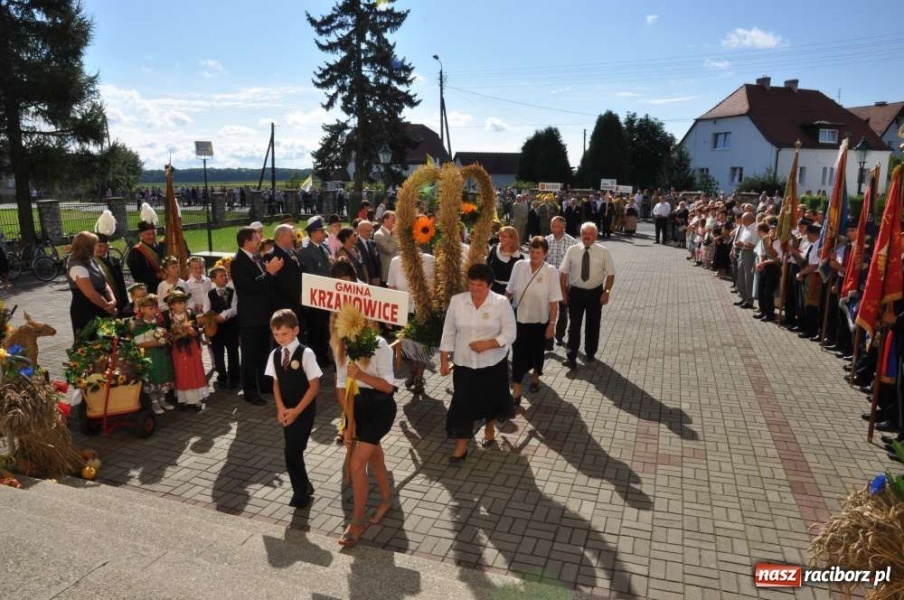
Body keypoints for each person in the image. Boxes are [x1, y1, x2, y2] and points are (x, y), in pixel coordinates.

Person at [439, 264, 516, 463]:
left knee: (491, 399)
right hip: (464, 363)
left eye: (480, 285)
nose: (474, 289)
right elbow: (448, 332)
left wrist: (488, 344)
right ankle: (461, 446)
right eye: (471, 284)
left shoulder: (500, 303)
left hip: (493, 363)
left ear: (489, 285)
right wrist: (444, 360)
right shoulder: (457, 301)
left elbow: (510, 334)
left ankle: (490, 427)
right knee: (461, 404)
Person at [334, 309, 397, 546]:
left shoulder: (380, 345)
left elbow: (388, 387)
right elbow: (341, 387)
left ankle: (356, 522)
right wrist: (348, 422)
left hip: (380, 409)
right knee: (375, 457)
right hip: (357, 407)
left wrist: (360, 374)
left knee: (357, 463)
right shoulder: (341, 347)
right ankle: (386, 500)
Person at [265, 309, 322, 509]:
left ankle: (300, 492)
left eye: (284, 334)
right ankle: (305, 485)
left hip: (303, 410)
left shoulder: (306, 353)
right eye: (276, 334)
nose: (280, 338)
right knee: (292, 450)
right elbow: (276, 383)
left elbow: (314, 386)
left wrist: (297, 411)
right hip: (286, 411)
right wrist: (280, 408)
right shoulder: (275, 354)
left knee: (292, 451)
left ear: (295, 330)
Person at [232, 226, 285, 406]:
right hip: (250, 318)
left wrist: (272, 273)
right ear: (246, 241)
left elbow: (265, 284)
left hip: (263, 315)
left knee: (264, 353)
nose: (259, 241)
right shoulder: (238, 262)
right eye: (256, 239)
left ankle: (264, 384)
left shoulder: (257, 258)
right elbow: (249, 287)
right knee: (250, 357)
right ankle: (250, 392)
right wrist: (269, 273)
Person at [506, 237, 561, 405]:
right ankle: (516, 390)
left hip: (540, 320)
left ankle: (536, 375)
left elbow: (554, 301)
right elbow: (509, 291)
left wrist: (552, 324)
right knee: (518, 353)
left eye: (538, 252)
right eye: (532, 251)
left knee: (537, 352)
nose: (534, 255)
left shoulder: (551, 271)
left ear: (545, 254)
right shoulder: (519, 266)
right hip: (520, 319)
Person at [559, 222, 616, 370]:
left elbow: (611, 274)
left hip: (595, 293)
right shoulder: (572, 250)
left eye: (590, 234)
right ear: (580, 235)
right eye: (584, 233)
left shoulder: (603, 252)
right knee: (574, 325)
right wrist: (563, 293)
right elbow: (563, 272)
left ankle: (590, 353)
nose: (587, 236)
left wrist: (606, 292)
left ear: (596, 236)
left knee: (593, 324)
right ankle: (571, 356)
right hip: (575, 293)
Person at [387, 249, 435, 394]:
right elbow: (391, 288)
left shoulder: (429, 260)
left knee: (422, 345)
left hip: (423, 310)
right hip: (402, 311)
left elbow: (435, 285)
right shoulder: (395, 261)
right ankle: (413, 371)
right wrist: (389, 314)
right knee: (404, 348)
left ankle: (419, 377)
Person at [163, 289, 209, 412]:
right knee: (181, 371)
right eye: (179, 303)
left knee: (194, 370)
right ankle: (184, 399)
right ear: (171, 305)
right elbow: (167, 334)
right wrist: (177, 334)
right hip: (177, 349)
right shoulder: (167, 316)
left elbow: (196, 329)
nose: (182, 305)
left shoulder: (190, 313)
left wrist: (193, 332)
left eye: (184, 302)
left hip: (191, 347)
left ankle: (195, 400)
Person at [298, 216, 334, 368]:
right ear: (312, 233)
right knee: (315, 329)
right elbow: (310, 274)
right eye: (321, 231)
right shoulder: (305, 252)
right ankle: (317, 358)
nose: (324, 233)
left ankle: (324, 355)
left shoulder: (324, 248)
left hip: (327, 296)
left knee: (324, 329)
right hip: (316, 298)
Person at [130, 294, 175, 415]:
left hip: (162, 355)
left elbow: (166, 334)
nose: (154, 311)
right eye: (150, 308)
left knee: (163, 376)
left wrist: (166, 337)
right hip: (149, 355)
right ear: (142, 309)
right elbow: (138, 343)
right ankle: (154, 401)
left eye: (155, 308)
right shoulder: (139, 324)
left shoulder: (159, 321)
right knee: (152, 378)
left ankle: (162, 399)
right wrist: (155, 343)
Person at [67, 232, 117, 337]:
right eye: (95, 244)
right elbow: (91, 294)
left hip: (101, 307)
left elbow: (104, 283)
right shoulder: (77, 266)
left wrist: (113, 300)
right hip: (87, 311)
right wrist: (109, 308)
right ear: (87, 247)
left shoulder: (91, 259)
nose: (97, 247)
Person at [207, 266, 240, 390]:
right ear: (213, 279)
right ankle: (222, 377)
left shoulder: (232, 291)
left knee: (233, 352)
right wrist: (214, 317)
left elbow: (235, 308)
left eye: (225, 275)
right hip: (217, 329)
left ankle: (234, 377)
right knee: (218, 354)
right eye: (221, 276)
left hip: (231, 327)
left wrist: (224, 315)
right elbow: (206, 310)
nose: (225, 278)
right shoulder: (209, 294)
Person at [546, 216, 576, 347]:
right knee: (547, 310)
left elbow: (574, 264)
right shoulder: (546, 240)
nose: (554, 229)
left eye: (557, 226)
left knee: (563, 311)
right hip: (548, 282)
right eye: (552, 226)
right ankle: (548, 338)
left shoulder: (572, 243)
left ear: (564, 227)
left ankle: (559, 335)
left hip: (565, 282)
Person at [271, 224, 304, 323]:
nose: (293, 238)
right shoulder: (273, 256)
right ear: (281, 237)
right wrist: (298, 296)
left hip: (299, 305)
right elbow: (281, 283)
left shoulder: (293, 253)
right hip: (285, 308)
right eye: (291, 236)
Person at [126, 220, 165, 291]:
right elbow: (138, 274)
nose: (151, 236)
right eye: (148, 234)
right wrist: (157, 275)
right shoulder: (136, 251)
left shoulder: (158, 247)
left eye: (153, 233)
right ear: (140, 235)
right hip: (148, 289)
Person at [486, 225, 523, 295]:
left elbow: (519, 279)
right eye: (500, 236)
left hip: (509, 292)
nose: (500, 238)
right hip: (491, 288)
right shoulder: (494, 250)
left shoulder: (519, 257)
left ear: (512, 239)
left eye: (504, 236)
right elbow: (487, 267)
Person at [355, 220, 382, 287]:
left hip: (377, 281)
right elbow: (360, 265)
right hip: (364, 282)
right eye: (368, 231)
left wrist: (378, 277)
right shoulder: (355, 244)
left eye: (371, 231)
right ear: (359, 230)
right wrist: (370, 280)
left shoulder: (373, 243)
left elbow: (378, 262)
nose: (370, 233)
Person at [374, 211, 398, 285]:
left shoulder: (394, 233)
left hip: (397, 272)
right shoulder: (379, 235)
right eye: (393, 220)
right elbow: (389, 249)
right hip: (387, 273)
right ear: (385, 220)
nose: (395, 223)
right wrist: (394, 235)